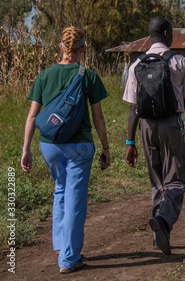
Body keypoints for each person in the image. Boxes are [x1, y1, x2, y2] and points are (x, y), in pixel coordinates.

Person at [21, 26, 110, 274]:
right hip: (79, 147)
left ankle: (61, 246)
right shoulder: (89, 76)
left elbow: (31, 116)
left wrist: (26, 149)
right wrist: (105, 147)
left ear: (61, 47)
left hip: (49, 146)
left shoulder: (44, 76)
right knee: (75, 200)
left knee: (60, 191)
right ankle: (69, 259)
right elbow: (99, 119)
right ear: (83, 49)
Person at [123, 16, 185, 256]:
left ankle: (158, 237)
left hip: (146, 127)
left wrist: (130, 141)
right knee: (177, 180)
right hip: (171, 125)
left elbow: (133, 107)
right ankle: (164, 222)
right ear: (167, 33)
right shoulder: (178, 61)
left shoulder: (137, 65)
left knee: (157, 180)